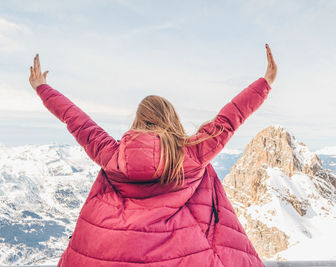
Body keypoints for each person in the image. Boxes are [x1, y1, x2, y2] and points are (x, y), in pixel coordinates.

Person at [29, 43, 277, 267]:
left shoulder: (112, 155)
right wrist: (265, 82)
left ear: (138, 120)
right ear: (172, 119)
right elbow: (229, 119)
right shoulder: (192, 154)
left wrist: (42, 88)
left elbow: (77, 120)